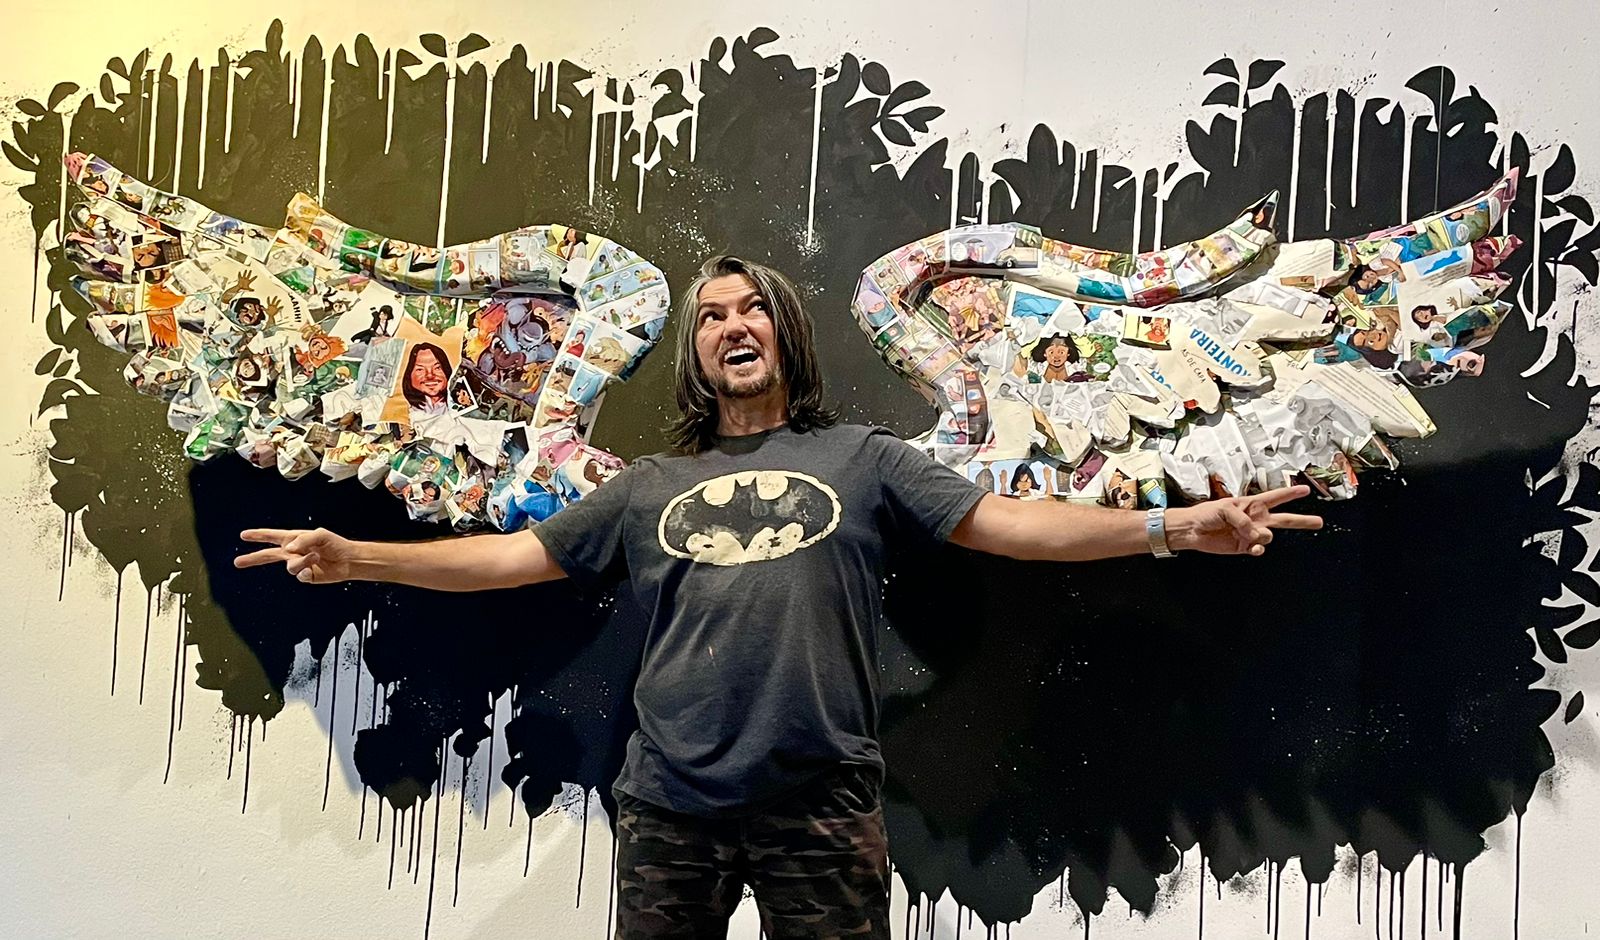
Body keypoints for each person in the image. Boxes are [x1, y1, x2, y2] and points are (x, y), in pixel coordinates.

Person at [234, 256, 1321, 939]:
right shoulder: (645, 486)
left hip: (822, 804)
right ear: (697, 352)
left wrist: (1171, 528)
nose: (733, 322)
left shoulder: (866, 458)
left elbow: (1012, 526)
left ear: (784, 336)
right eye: (712, 315)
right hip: (669, 806)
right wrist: (359, 557)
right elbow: (511, 560)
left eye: (753, 307)